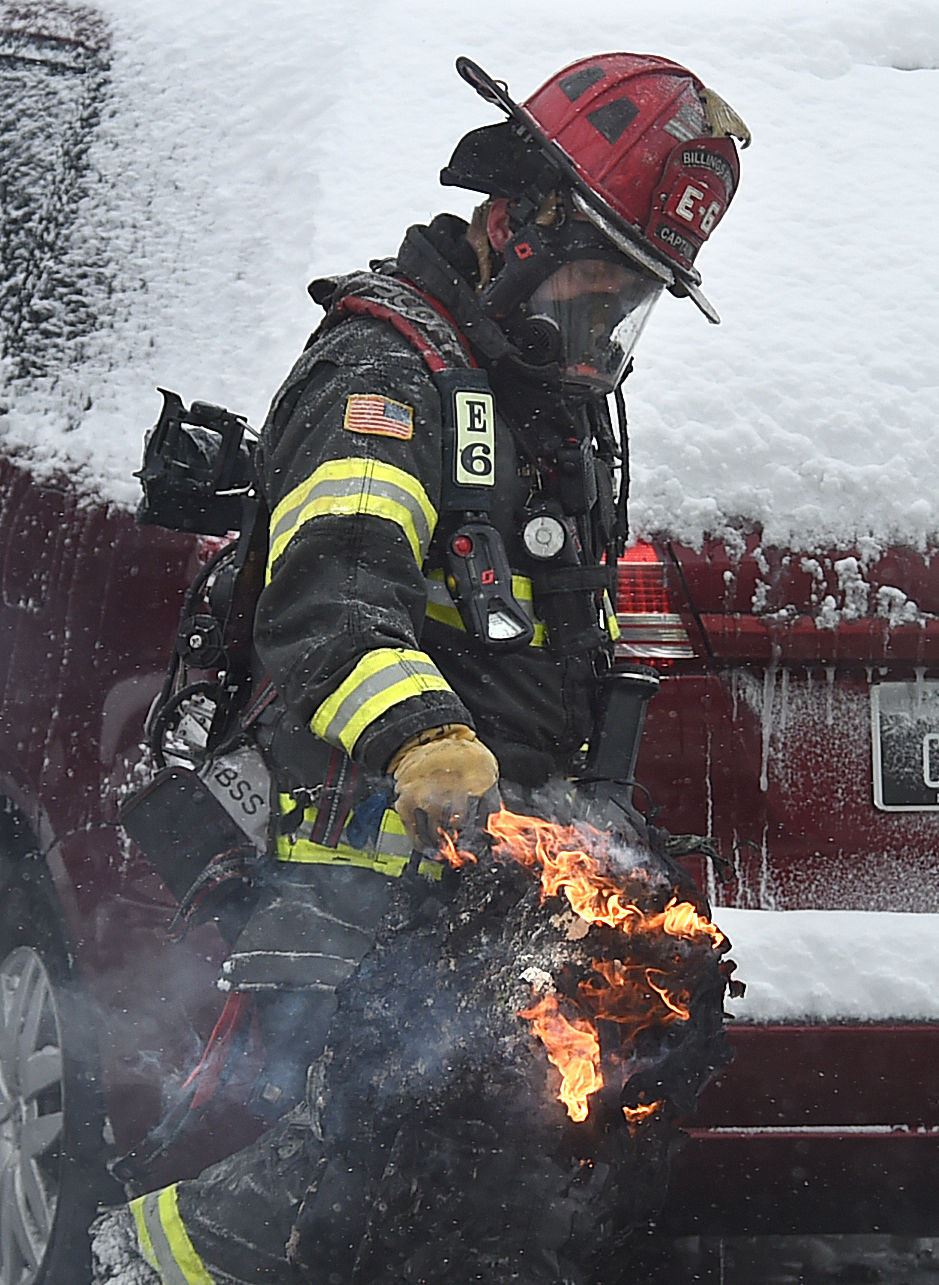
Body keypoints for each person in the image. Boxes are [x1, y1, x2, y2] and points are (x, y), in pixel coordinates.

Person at [92, 50, 749, 1285]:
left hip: (483, 889)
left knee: (466, 1196)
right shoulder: (386, 376)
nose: (606, 328)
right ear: (523, 221)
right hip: (349, 877)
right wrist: (425, 742)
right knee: (308, 1203)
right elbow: (331, 598)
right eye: (600, 283)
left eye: (635, 300)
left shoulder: (548, 399)